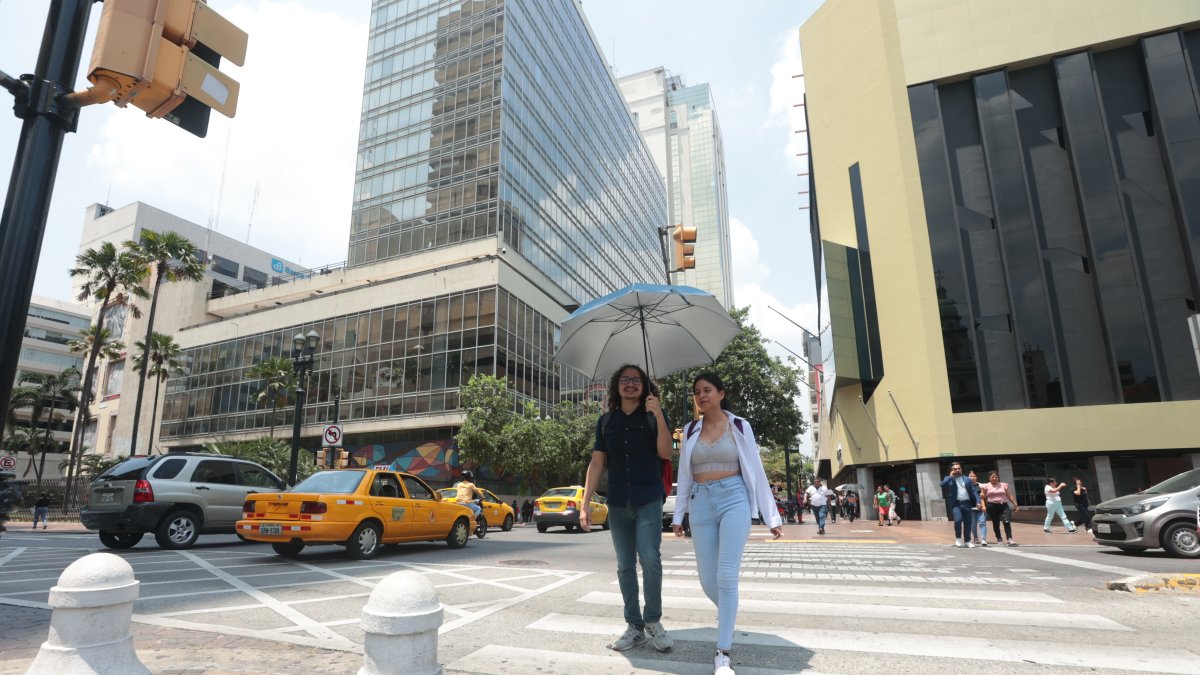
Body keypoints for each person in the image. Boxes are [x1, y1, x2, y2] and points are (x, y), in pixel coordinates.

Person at [673, 372, 782, 675]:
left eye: (707, 390)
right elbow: (684, 476)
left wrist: (770, 515)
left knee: (725, 575)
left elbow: (756, 472)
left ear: (721, 393)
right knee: (707, 580)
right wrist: (679, 514)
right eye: (697, 392)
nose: (701, 396)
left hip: (733, 498)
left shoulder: (739, 425)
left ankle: (723, 653)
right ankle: (729, 619)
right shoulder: (690, 429)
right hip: (700, 503)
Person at [581, 364, 673, 654]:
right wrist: (584, 503)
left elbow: (667, 453)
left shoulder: (652, 415)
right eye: (625, 379)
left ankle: (653, 621)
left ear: (644, 386)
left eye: (636, 380)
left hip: (648, 498)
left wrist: (658, 413)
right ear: (616, 385)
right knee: (624, 565)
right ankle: (635, 627)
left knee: (650, 559)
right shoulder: (607, 421)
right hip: (618, 502)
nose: (630, 384)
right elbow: (597, 463)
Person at [940, 462, 980, 547]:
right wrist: (951, 476)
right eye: (955, 469)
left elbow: (974, 491)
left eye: (959, 469)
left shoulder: (967, 479)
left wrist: (978, 502)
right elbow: (942, 484)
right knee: (958, 520)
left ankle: (967, 541)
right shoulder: (949, 478)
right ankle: (958, 538)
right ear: (952, 470)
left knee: (968, 523)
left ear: (961, 469)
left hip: (967, 503)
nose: (957, 470)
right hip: (956, 504)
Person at [980, 471, 1019, 546]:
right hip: (992, 506)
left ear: (998, 478)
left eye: (996, 477)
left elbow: (1009, 495)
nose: (994, 478)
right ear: (989, 478)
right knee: (996, 523)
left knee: (1006, 521)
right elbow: (982, 497)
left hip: (1003, 505)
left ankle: (1009, 539)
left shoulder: (1003, 485)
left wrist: (1015, 504)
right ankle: (999, 538)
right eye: (992, 477)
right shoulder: (985, 486)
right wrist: (983, 506)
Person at [967, 472, 987, 546]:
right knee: (973, 524)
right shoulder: (966, 486)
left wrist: (983, 502)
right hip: (970, 507)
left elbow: (985, 496)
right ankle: (975, 537)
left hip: (980, 507)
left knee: (982, 522)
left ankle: (984, 539)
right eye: (970, 476)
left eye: (974, 476)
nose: (972, 477)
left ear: (976, 477)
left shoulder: (981, 485)